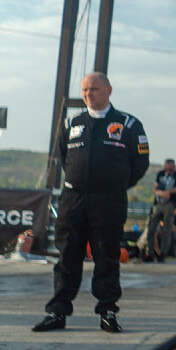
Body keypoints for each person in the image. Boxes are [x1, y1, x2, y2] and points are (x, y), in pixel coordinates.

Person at [33, 72, 149, 333]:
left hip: (109, 200)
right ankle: (57, 312)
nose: (88, 94)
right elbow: (65, 158)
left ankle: (108, 312)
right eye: (85, 90)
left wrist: (115, 184)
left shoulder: (129, 125)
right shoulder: (71, 123)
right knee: (67, 255)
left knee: (106, 256)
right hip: (74, 199)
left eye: (94, 89)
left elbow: (139, 164)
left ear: (108, 90)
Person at [143, 158, 176, 262]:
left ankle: (162, 253)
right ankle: (150, 253)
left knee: (167, 229)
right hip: (158, 203)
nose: (168, 170)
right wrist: (160, 193)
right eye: (166, 167)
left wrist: (169, 192)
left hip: (169, 204)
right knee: (151, 228)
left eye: (170, 168)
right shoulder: (160, 174)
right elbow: (155, 188)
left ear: (173, 167)